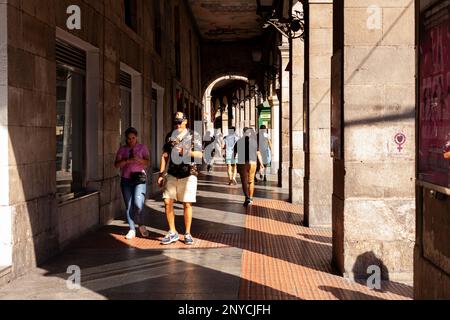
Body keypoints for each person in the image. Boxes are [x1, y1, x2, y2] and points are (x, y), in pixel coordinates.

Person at [157, 112, 203, 245]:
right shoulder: (169, 136)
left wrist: (185, 152)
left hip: (189, 173)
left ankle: (187, 233)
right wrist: (161, 174)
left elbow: (200, 154)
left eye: (179, 122)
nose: (177, 124)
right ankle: (172, 232)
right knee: (167, 201)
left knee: (187, 203)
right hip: (172, 173)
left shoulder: (194, 135)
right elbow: (165, 156)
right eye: (175, 122)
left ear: (185, 121)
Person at [114, 127, 150, 240]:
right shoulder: (122, 149)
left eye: (133, 138)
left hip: (139, 178)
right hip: (126, 179)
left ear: (136, 137)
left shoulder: (142, 148)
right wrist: (126, 160)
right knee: (129, 205)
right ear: (126, 139)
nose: (131, 141)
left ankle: (141, 223)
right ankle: (132, 229)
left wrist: (138, 159)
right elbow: (116, 165)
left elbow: (148, 162)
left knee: (138, 204)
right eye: (129, 139)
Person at [234, 127, 265, 207]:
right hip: (253, 163)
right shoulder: (254, 142)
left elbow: (234, 154)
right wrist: (261, 164)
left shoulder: (239, 141)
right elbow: (258, 154)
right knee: (251, 181)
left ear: (243, 132)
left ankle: (247, 197)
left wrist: (233, 163)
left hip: (242, 163)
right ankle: (251, 198)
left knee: (244, 181)